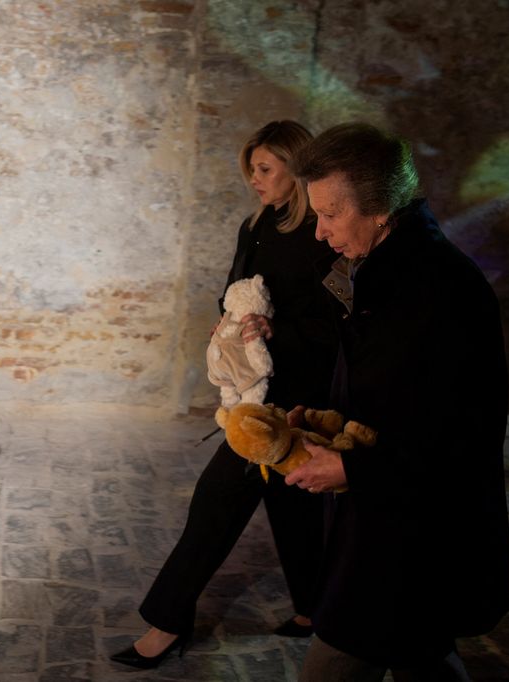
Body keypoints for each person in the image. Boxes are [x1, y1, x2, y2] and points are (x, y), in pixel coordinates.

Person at [285, 122, 509, 680]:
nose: (319, 232)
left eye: (330, 214)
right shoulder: (376, 272)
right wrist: (318, 413)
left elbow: (465, 439)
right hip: (389, 524)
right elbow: (374, 380)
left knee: (342, 650)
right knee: (421, 653)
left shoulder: (444, 291)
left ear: (381, 206)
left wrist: (352, 468)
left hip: (413, 533)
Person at [110, 120, 338, 670]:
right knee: (291, 504)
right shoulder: (256, 226)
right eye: (251, 170)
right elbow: (236, 292)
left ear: (296, 166)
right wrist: (229, 326)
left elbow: (338, 325)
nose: (254, 180)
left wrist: (277, 332)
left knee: (216, 503)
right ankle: (314, 611)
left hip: (294, 395)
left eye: (264, 169)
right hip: (253, 389)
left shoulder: (324, 233)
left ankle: (166, 623)